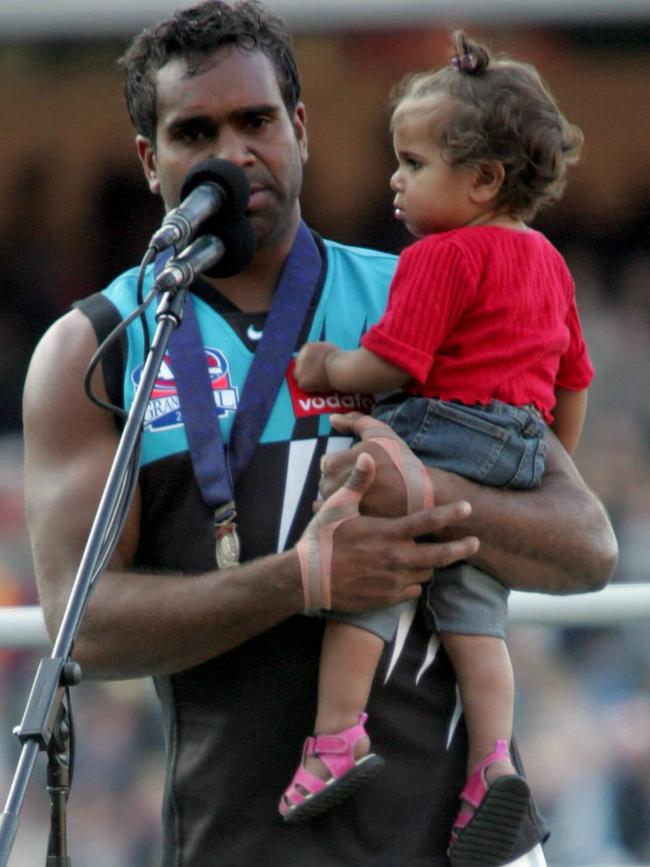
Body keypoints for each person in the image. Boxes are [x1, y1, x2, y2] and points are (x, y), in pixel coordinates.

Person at [21, 3, 617, 866]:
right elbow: (88, 627)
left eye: (256, 120)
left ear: (299, 129)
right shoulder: (101, 347)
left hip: (458, 844)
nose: (233, 152)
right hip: (242, 841)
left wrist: (425, 491)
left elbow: (584, 546)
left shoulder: (420, 292)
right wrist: (302, 579)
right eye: (195, 131)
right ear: (152, 162)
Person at [290, 30, 592, 864]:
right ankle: (491, 766)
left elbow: (393, 361)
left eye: (413, 163)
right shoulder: (548, 261)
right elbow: (575, 376)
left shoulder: (438, 256)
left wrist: (323, 364)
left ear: (484, 179)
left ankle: (335, 736)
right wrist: (541, 468)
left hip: (446, 426)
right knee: (475, 617)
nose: (395, 179)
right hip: (522, 446)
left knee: (360, 531)